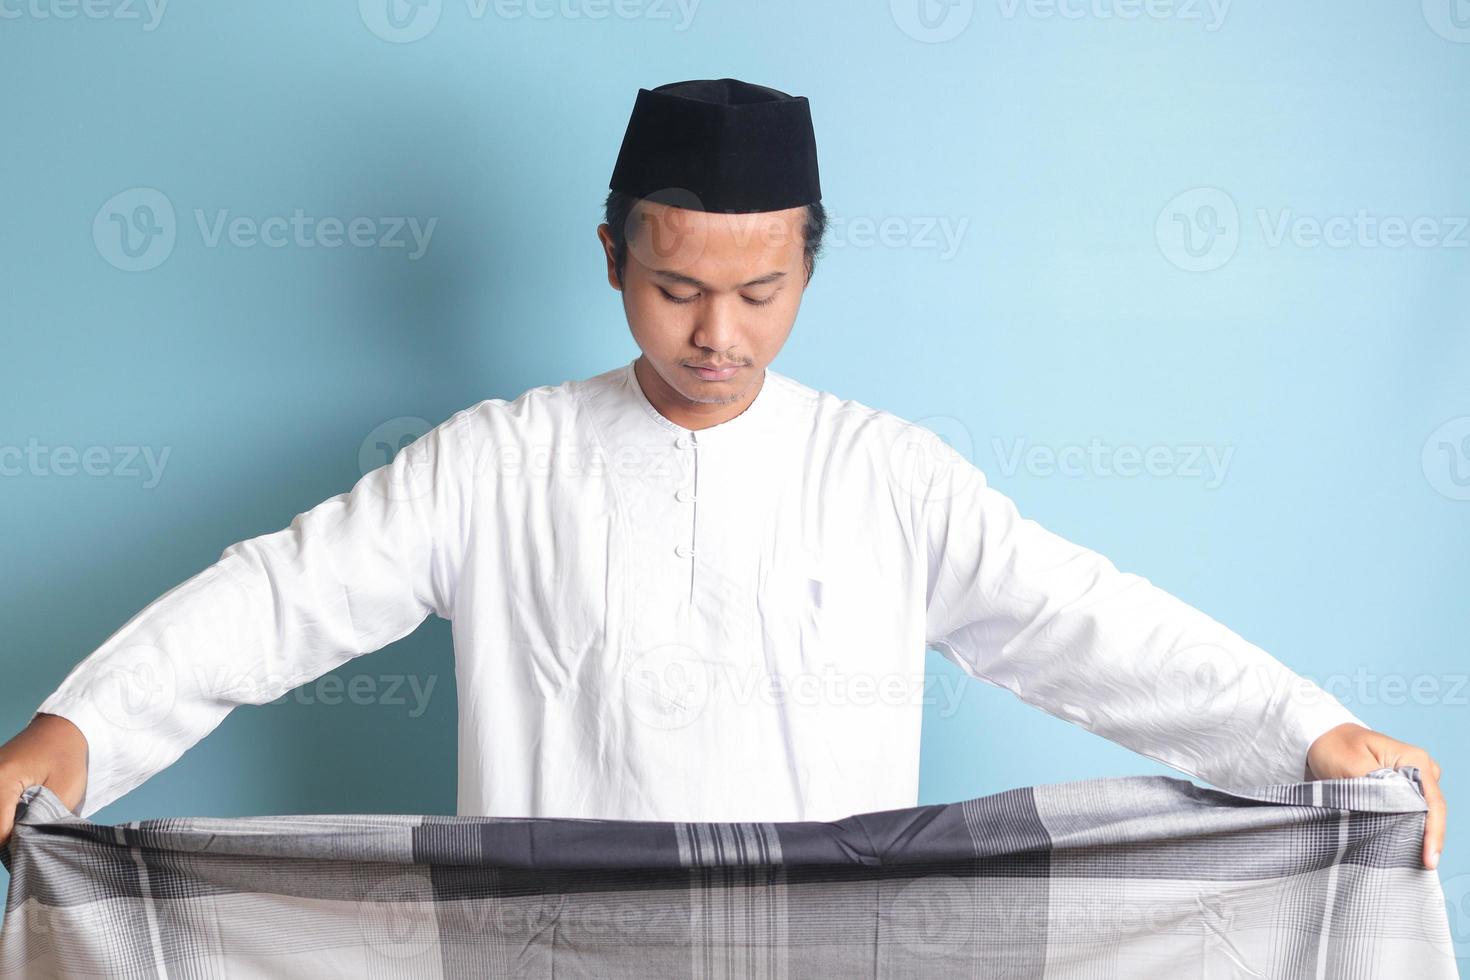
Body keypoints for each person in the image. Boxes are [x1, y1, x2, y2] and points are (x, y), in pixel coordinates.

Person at [0, 79, 1446, 872]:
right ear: (612, 257)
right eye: (674, 285)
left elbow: (1086, 623)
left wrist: (1303, 733)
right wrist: (76, 733)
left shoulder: (885, 473)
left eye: (759, 292)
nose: (713, 334)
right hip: (542, 955)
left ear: (807, 265)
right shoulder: (496, 462)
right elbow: (277, 598)